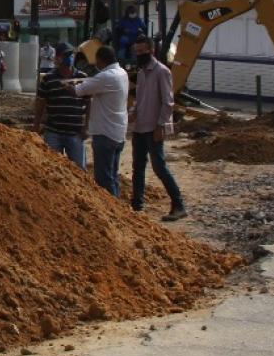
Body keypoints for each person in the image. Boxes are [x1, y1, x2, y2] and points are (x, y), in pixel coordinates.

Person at [128, 35, 187, 222]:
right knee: (138, 167)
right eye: (136, 51)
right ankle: (136, 206)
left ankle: (178, 205)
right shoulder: (141, 72)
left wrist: (160, 126)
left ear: (151, 51)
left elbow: (168, 102)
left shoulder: (161, 72)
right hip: (139, 127)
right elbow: (139, 99)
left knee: (159, 167)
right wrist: (132, 113)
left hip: (154, 127)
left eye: (142, 51)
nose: (139, 54)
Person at [67, 44, 129, 196]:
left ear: (101, 60)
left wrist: (66, 85)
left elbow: (77, 91)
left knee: (103, 180)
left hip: (105, 133)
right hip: (118, 132)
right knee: (112, 175)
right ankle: (119, 212)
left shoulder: (105, 76)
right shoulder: (122, 73)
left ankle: (112, 213)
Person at [34, 43, 87, 168]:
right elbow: (40, 103)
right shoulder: (48, 79)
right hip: (54, 132)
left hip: (75, 133)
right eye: (66, 55)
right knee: (51, 169)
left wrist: (87, 126)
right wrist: (36, 125)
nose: (70, 58)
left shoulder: (82, 77)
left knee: (79, 171)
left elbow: (88, 103)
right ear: (57, 58)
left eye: (71, 54)